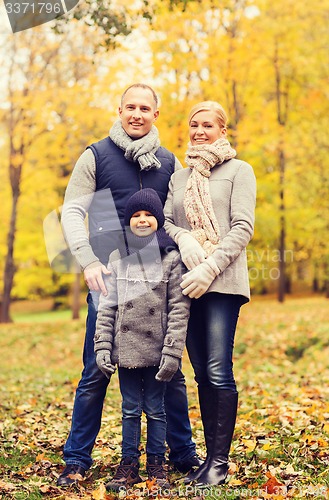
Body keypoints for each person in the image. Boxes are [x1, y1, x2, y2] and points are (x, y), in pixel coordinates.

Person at [58, 83, 200, 486]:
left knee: (170, 369)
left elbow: (178, 218)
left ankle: (183, 453)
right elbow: (72, 211)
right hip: (109, 278)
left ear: (156, 114)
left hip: (159, 279)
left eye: (145, 108)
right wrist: (86, 260)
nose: (136, 113)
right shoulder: (97, 155)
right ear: (118, 110)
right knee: (95, 367)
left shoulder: (168, 161)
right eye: (129, 107)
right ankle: (77, 458)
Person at [164, 101, 256, 486]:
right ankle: (207, 461)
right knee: (201, 373)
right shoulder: (179, 178)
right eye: (194, 125)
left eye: (207, 125)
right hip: (187, 286)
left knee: (218, 370)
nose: (199, 131)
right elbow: (167, 221)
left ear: (222, 129)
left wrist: (209, 267)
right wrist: (183, 238)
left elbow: (242, 226)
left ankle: (219, 463)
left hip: (222, 283)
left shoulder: (239, 170)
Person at [94, 188, 190, 492]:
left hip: (158, 348)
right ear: (128, 221)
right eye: (136, 215)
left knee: (157, 409)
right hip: (126, 351)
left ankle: (156, 465)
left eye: (149, 214)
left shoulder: (171, 257)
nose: (143, 220)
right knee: (130, 408)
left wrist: (173, 352)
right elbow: (107, 306)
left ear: (159, 220)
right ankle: (129, 466)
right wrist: (102, 346)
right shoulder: (117, 258)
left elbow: (178, 308)